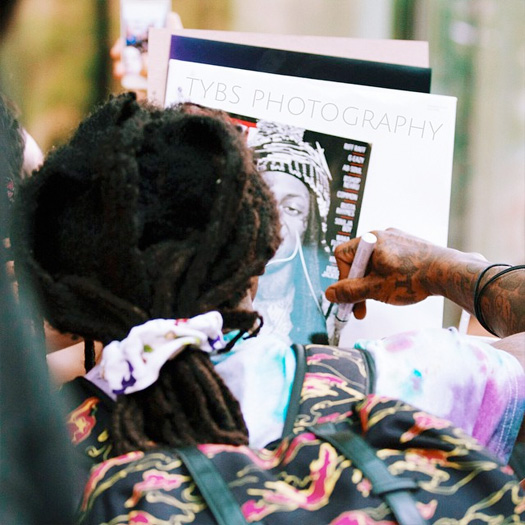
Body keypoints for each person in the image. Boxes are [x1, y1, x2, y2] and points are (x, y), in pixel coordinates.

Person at [249, 120, 333, 345]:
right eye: (264, 200)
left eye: (291, 209)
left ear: (308, 226)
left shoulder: (330, 314)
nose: (275, 220)